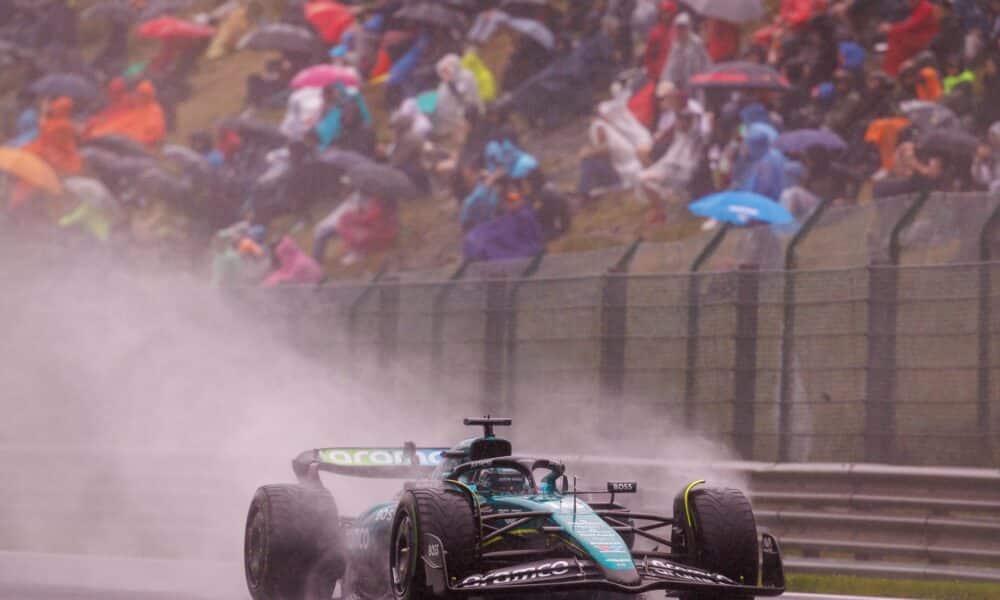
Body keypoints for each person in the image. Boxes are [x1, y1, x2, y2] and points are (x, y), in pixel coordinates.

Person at [881, 0, 939, 77]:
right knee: (896, 35)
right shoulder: (917, 6)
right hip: (915, 36)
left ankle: (892, 72)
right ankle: (890, 71)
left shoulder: (925, 7)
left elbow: (912, 24)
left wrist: (891, 29)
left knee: (896, 36)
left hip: (924, 39)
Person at [25, 96, 81, 175]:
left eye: (56, 108)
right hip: (50, 149)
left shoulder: (63, 124)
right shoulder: (63, 122)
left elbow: (44, 129)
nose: (54, 110)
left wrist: (43, 111)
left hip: (57, 154)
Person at [659, 12, 711, 92]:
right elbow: (670, 67)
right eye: (679, 28)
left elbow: (706, 62)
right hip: (681, 85)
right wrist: (665, 82)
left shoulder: (696, 43)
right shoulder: (676, 46)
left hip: (697, 83)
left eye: (683, 27)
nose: (681, 31)